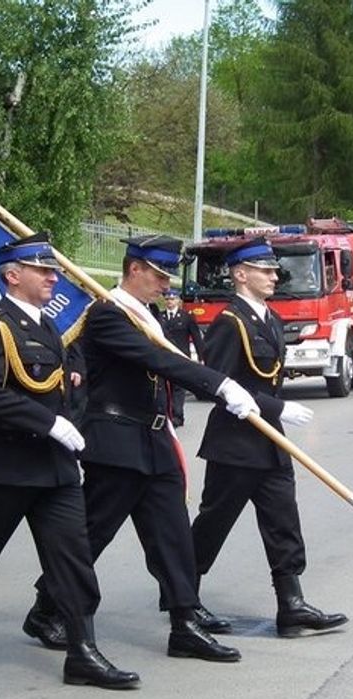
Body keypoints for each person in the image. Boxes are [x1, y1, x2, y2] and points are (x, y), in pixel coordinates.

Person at [0, 232, 138, 689]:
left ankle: (82, 651)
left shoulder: (48, 328)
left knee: (73, 558)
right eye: (43, 270)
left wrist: (68, 428)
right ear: (13, 276)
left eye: (53, 270)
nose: (53, 277)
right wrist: (47, 423)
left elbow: (65, 387)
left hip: (54, 469)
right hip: (8, 466)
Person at [24, 234, 259, 663]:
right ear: (134, 270)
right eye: (158, 275)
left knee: (172, 536)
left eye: (167, 276)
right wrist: (220, 385)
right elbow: (158, 361)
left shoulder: (147, 316)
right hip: (115, 439)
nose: (165, 284)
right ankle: (45, 608)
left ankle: (184, 623)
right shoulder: (108, 316)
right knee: (93, 533)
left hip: (153, 438)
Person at [191, 238, 348, 637]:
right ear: (241, 275)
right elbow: (218, 385)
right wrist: (277, 409)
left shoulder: (270, 319)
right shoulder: (229, 323)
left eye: (274, 270)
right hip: (235, 444)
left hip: (270, 442)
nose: (275, 276)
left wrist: (275, 413)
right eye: (266, 270)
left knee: (283, 522)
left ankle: (291, 604)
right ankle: (183, 598)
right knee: (213, 524)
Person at [155, 288, 205, 427]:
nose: (169, 302)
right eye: (167, 299)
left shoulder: (186, 317)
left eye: (172, 299)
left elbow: (196, 338)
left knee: (178, 387)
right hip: (164, 355)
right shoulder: (160, 316)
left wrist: (202, 357)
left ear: (178, 301)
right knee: (165, 386)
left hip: (180, 355)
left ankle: (177, 415)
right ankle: (167, 414)